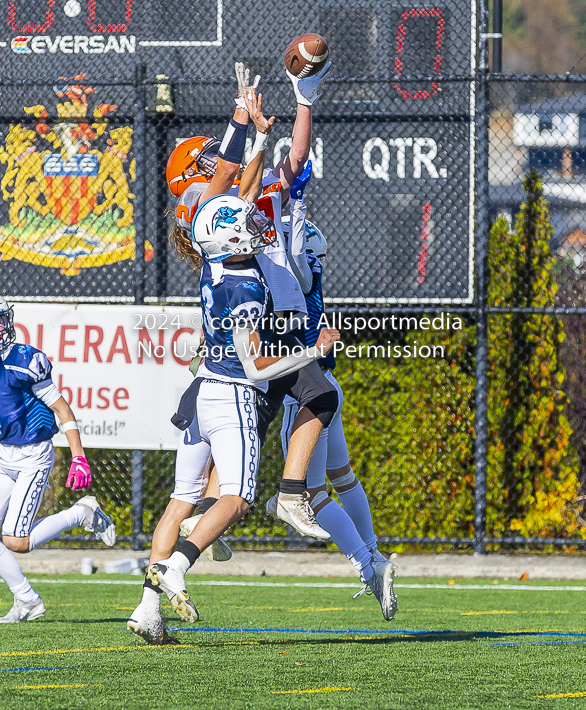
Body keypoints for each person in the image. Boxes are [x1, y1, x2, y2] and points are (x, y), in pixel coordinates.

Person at [128, 183, 339, 644]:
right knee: (238, 497)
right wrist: (311, 352)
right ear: (230, 239)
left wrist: (256, 140)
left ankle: (147, 608)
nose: (257, 227)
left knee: (184, 498)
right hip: (234, 392)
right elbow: (256, 365)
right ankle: (177, 567)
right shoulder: (245, 286)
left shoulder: (214, 263)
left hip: (205, 385)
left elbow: (227, 211)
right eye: (246, 226)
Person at [168, 62, 339, 539]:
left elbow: (296, 158)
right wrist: (242, 121)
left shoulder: (249, 189)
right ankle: (281, 495)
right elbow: (225, 173)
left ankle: (211, 519)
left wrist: (303, 98)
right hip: (250, 319)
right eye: (200, 160)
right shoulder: (199, 204)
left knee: (261, 419)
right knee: (288, 403)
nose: (213, 160)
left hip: (273, 314)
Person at [277, 165, 398, 620]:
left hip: (307, 391)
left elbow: (289, 251)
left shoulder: (298, 276)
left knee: (312, 497)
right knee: (344, 478)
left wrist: (298, 199)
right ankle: (374, 552)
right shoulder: (310, 275)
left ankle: (369, 567)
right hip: (327, 383)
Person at [0, 297, 115, 623]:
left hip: (32, 456)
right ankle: (26, 600)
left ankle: (82, 513)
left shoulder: (23, 361)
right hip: (4, 454)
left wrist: (78, 457)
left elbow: (63, 410)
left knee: (16, 542)